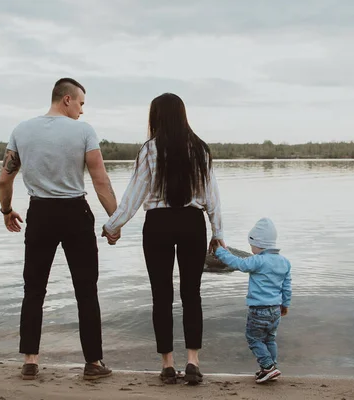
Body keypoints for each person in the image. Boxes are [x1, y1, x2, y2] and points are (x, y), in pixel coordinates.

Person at [0, 78, 119, 381]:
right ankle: (93, 363)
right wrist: (114, 220)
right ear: (67, 99)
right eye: (80, 104)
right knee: (86, 291)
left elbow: (4, 180)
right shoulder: (83, 132)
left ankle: (30, 361)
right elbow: (100, 179)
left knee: (34, 289)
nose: (81, 111)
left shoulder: (21, 130)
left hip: (40, 213)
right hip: (75, 213)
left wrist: (6, 210)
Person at [102, 93, 224, 385]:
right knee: (192, 294)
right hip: (193, 223)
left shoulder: (150, 149)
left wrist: (112, 226)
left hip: (158, 224)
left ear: (156, 117)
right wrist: (218, 233)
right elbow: (212, 196)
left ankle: (168, 365)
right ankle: (193, 360)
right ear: (182, 115)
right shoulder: (201, 150)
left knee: (161, 295)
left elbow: (135, 194)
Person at [212, 217, 292, 384]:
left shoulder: (258, 260)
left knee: (254, 339)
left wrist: (220, 251)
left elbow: (238, 264)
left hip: (258, 309)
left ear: (259, 243)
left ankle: (268, 366)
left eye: (252, 245)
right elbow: (287, 286)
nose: (251, 249)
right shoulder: (284, 262)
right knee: (269, 339)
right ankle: (270, 368)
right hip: (276, 310)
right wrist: (285, 304)